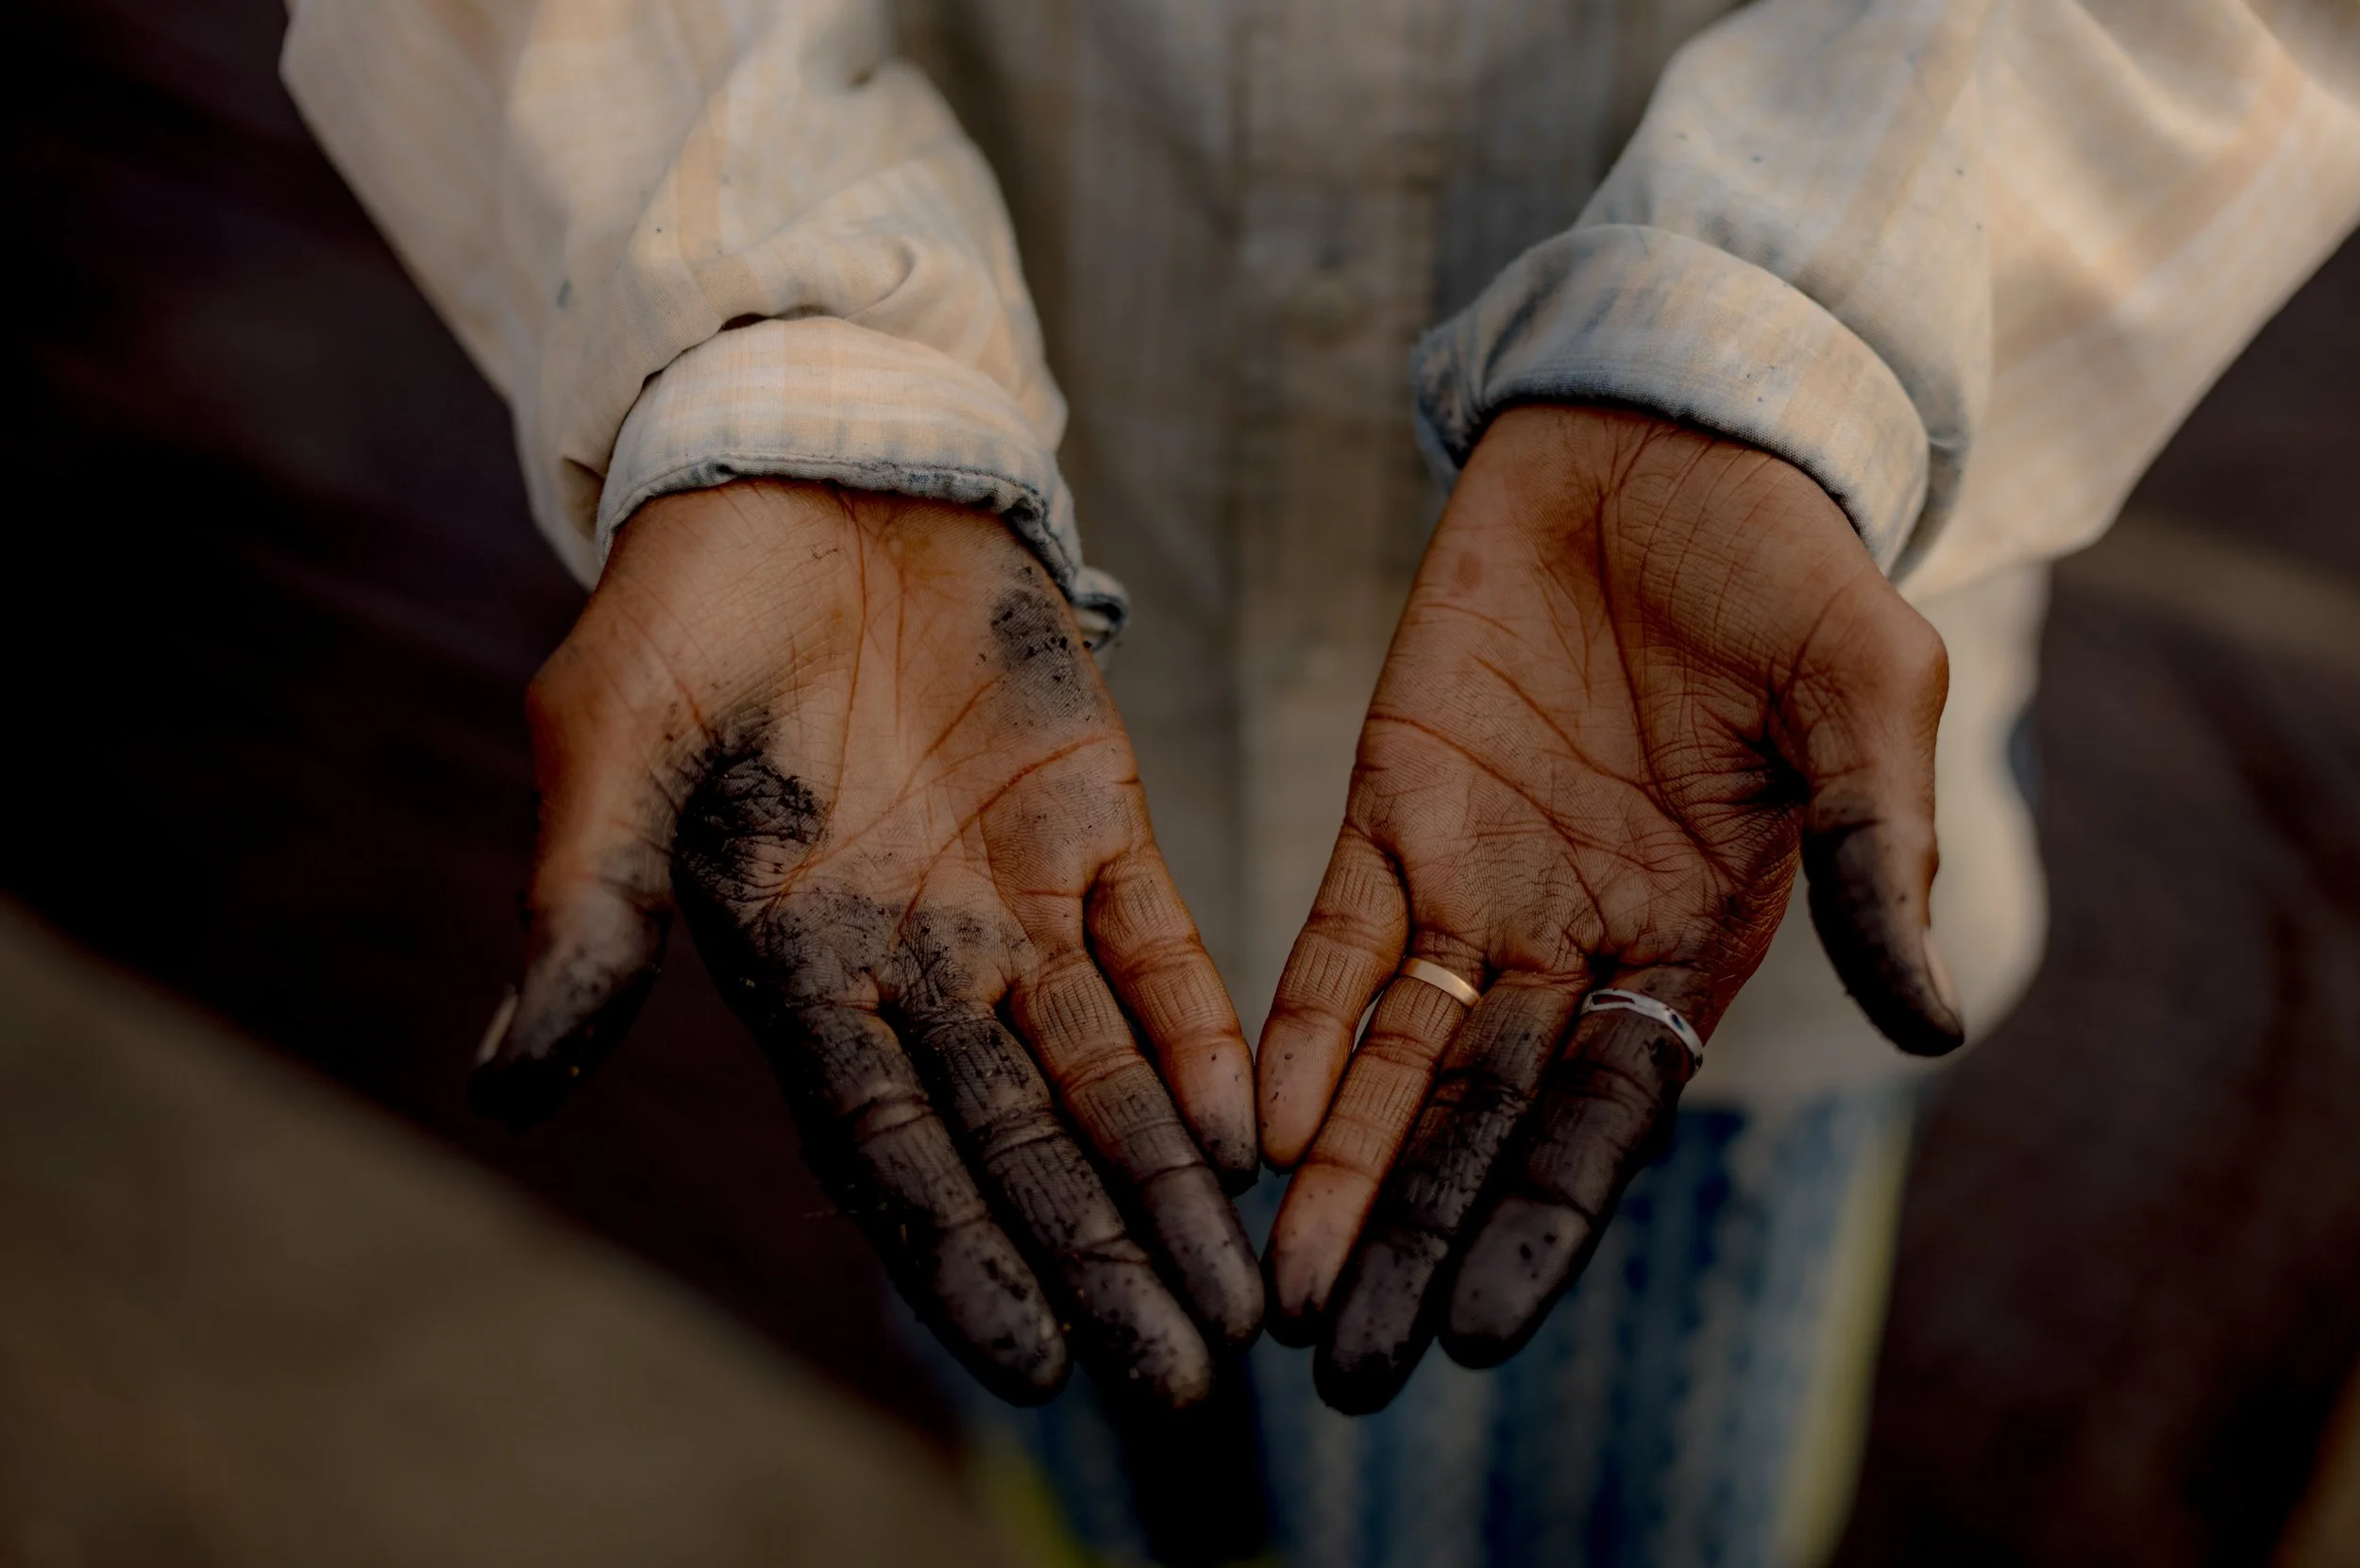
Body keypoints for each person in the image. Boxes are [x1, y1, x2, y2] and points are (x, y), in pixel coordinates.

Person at [280, 0, 2360, 1561]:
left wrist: (1780, 354)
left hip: (1692, 898)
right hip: (997, 851)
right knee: (1121, 1492)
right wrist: (766, 361)